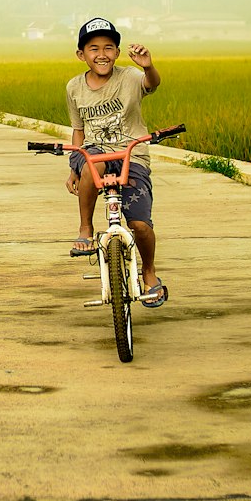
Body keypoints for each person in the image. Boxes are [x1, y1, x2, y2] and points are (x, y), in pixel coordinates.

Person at [64, 16, 166, 307]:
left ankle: (149, 272)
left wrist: (148, 66)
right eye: (93, 48)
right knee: (91, 162)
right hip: (94, 150)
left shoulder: (131, 77)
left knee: (140, 224)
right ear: (81, 55)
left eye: (109, 47)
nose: (101, 54)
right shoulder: (74, 87)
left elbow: (152, 83)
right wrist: (74, 166)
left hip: (131, 154)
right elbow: (78, 130)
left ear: (117, 53)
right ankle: (85, 228)